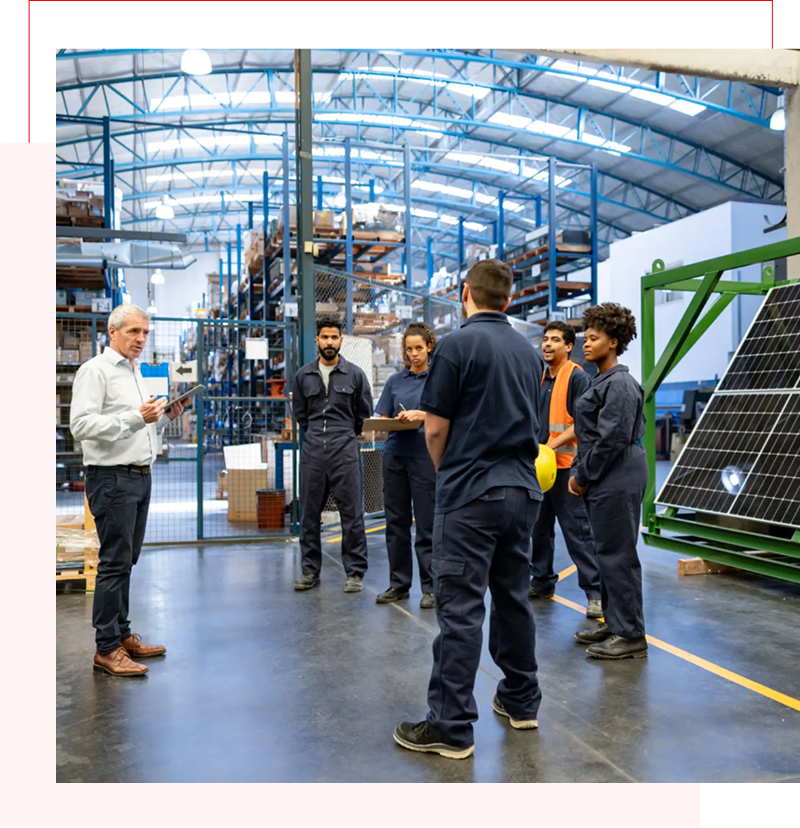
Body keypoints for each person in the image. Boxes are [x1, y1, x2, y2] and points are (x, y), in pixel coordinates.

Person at [393, 259, 545, 760]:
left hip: (470, 495)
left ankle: (451, 726)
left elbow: (435, 428)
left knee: (460, 610)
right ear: (509, 298)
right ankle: (522, 702)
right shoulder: (528, 351)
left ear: (466, 293)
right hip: (522, 491)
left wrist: (449, 473)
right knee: (513, 599)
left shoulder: (456, 345)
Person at [70, 304, 185, 677]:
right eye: (134, 332)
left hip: (139, 476)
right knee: (114, 562)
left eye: (145, 333)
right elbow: (81, 425)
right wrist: (137, 416)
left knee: (127, 559)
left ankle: (120, 635)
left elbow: (139, 426)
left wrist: (162, 419)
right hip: (112, 478)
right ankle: (106, 648)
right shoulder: (95, 371)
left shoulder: (136, 373)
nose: (141, 339)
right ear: (112, 331)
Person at [568, 303, 648, 660]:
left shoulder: (620, 384)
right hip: (607, 474)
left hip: (617, 473)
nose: (585, 343)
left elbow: (611, 439)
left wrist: (583, 475)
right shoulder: (602, 381)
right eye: (585, 337)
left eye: (594, 338)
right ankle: (616, 622)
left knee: (618, 555)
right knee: (606, 552)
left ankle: (630, 635)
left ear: (613, 342)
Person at [292, 315, 373, 594]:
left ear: (341, 340)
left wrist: (344, 436)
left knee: (352, 513)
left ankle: (355, 572)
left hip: (345, 449)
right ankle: (310, 571)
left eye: (334, 337)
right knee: (310, 513)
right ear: (317, 339)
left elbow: (364, 415)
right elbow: (301, 416)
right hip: (313, 448)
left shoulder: (355, 375)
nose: (329, 342)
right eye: (324, 337)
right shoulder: (303, 376)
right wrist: (317, 435)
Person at [530, 321, 602, 618]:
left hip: (565, 467)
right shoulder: (540, 378)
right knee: (539, 528)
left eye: (555, 340)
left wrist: (550, 446)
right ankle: (542, 581)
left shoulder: (578, 378)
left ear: (569, 346)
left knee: (577, 532)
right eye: (545, 340)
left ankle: (596, 593)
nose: (547, 345)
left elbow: (582, 425)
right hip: (538, 467)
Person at [374, 323, 437, 610]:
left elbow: (448, 414)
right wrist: (382, 424)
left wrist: (421, 415)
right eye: (409, 349)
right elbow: (382, 415)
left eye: (419, 348)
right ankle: (399, 584)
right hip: (395, 456)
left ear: (429, 347)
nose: (414, 354)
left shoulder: (438, 379)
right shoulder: (394, 381)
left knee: (426, 525)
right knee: (396, 523)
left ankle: (431, 588)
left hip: (425, 457)